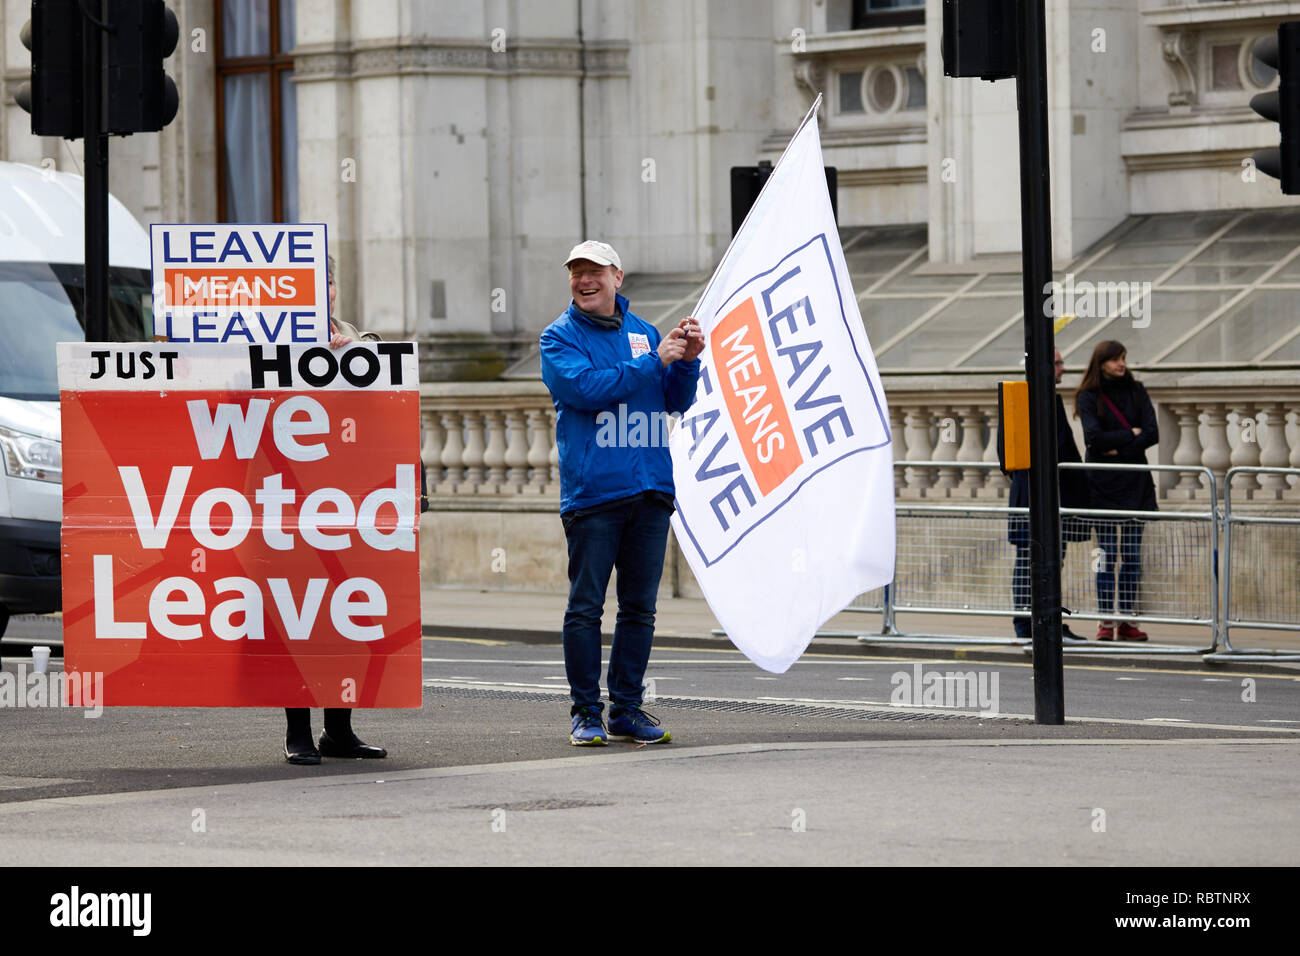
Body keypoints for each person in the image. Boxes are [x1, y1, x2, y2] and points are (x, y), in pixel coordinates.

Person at [539, 240, 702, 746]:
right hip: (594, 494)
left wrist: (688, 361)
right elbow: (585, 389)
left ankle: (626, 710)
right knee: (586, 606)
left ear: (618, 277)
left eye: (595, 272)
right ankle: (585, 712)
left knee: (639, 608)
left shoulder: (643, 332)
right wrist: (656, 360)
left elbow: (673, 400)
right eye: (577, 273)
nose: (585, 281)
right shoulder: (557, 338)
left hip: (650, 487)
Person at [282, 254, 388, 764]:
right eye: (306, 282)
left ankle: (338, 730)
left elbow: (391, 393)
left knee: (346, 618)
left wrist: (357, 354)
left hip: (348, 505)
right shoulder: (274, 339)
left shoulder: (352, 336)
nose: (318, 289)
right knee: (296, 617)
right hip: (288, 502)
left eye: (323, 280)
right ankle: (298, 731)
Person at [1075, 340, 1158, 642]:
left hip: (1135, 484)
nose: (1121, 364)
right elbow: (1093, 439)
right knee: (1106, 556)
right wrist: (1130, 435)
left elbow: (1152, 433)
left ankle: (1126, 620)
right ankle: (1106, 622)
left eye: (1123, 358)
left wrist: (1116, 446)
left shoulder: (1137, 390)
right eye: (1114, 360)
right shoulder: (1088, 395)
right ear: (1101, 363)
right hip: (1103, 486)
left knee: (1133, 557)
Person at [1007, 349, 1090, 640]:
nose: (1063, 369)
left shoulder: (1051, 399)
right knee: (1029, 561)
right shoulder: (1018, 398)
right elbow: (1008, 454)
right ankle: (1027, 625)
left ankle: (1049, 622)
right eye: (1057, 363)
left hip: (1056, 496)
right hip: (1032, 497)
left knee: (1055, 560)